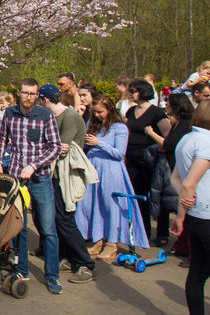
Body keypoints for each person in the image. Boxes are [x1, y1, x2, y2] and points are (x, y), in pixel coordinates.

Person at [0, 78, 62, 295]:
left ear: (37, 95)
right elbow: (2, 139)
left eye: (33, 93)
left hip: (39, 178)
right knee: (19, 227)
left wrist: (33, 165)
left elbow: (55, 148)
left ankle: (52, 276)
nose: (29, 97)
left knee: (48, 229)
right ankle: (22, 269)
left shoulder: (45, 116)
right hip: (16, 177)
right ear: (19, 93)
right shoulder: (9, 114)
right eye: (25, 93)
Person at [75, 95, 149, 260]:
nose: (97, 115)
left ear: (109, 110)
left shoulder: (120, 128)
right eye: (94, 112)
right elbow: (86, 144)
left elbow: (119, 154)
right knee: (93, 205)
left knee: (111, 206)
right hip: (94, 168)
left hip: (111, 171)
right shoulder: (92, 125)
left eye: (100, 112)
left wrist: (99, 143)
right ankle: (97, 239)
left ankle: (112, 243)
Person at [37, 84, 97, 284]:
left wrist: (48, 147)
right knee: (53, 219)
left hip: (65, 176)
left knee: (65, 219)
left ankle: (84, 262)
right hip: (52, 174)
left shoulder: (69, 117)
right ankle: (69, 257)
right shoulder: (52, 118)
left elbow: (61, 148)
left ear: (45, 99)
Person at [170, 101, 210, 315]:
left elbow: (176, 178)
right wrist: (185, 204)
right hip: (205, 215)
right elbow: (186, 183)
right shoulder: (206, 142)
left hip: (196, 215)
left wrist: (183, 210)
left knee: (197, 274)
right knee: (198, 274)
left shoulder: (187, 138)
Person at [124, 78, 171, 239]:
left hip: (151, 160)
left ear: (143, 92)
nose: (131, 94)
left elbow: (168, 137)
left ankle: (162, 233)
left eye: (134, 91)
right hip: (132, 160)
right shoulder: (131, 111)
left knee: (156, 195)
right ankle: (143, 231)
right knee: (138, 195)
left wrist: (151, 134)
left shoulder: (157, 112)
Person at [153, 94, 194, 248]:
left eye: (168, 103)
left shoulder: (185, 124)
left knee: (180, 203)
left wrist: (150, 133)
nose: (166, 105)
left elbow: (169, 144)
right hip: (172, 167)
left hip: (180, 169)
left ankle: (185, 244)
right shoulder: (178, 123)